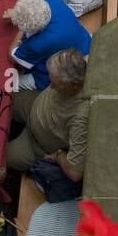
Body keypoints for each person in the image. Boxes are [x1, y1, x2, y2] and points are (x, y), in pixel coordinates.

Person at [7, 48, 89, 184]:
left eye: (56, 84)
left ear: (73, 86)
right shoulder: (84, 64)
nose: (50, 87)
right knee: (5, 98)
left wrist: (58, 156)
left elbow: (75, 173)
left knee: (1, 158)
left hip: (36, 144)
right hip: (35, 105)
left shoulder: (80, 118)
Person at [6, 0, 92, 91]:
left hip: (63, 72)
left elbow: (12, 55)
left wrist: (21, 28)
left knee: (10, 81)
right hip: (86, 44)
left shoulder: (37, 44)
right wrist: (23, 11)